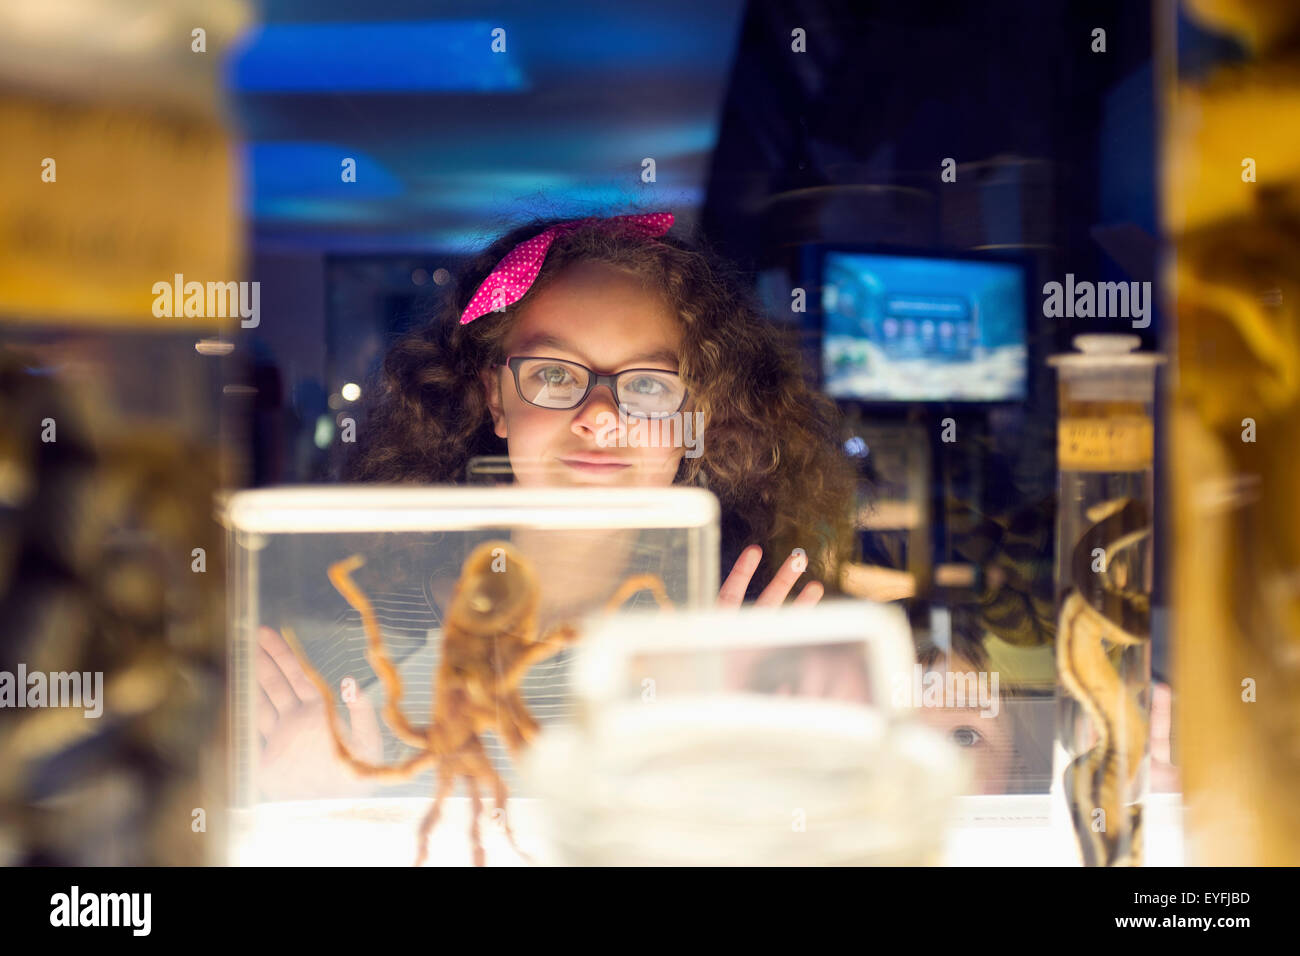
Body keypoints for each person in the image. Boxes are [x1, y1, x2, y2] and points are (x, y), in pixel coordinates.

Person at [257, 210, 859, 801]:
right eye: (553, 374)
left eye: (648, 384)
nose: (600, 416)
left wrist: (734, 792)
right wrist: (299, 809)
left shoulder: (751, 660)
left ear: (694, 421)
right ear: (496, 399)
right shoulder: (340, 647)